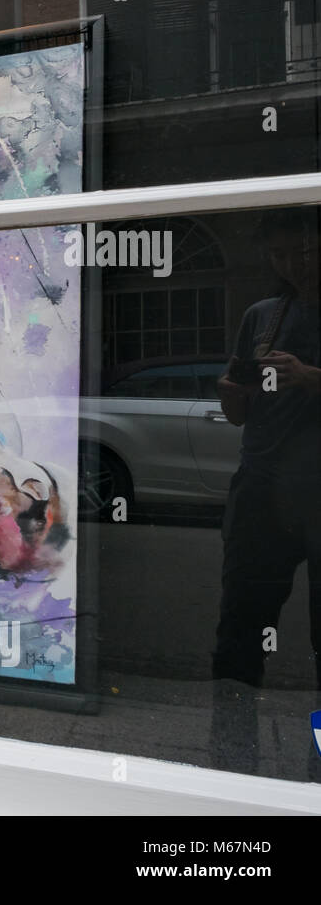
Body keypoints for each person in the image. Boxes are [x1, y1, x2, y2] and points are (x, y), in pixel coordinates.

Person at [212, 207, 321, 774]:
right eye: (278, 255)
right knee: (241, 628)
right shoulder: (264, 315)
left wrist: (307, 377)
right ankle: (231, 761)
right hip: (262, 486)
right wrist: (233, 392)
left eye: (300, 252)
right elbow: (236, 411)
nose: (290, 265)